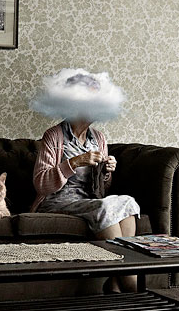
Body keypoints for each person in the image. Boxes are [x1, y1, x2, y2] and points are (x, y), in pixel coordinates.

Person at [32, 117, 140, 292]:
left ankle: (115, 281)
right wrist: (75, 162)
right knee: (103, 207)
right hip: (57, 201)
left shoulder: (98, 138)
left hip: (89, 201)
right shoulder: (54, 135)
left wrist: (106, 171)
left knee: (127, 202)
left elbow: (103, 188)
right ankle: (130, 284)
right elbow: (41, 184)